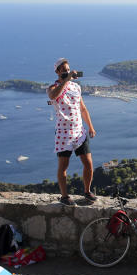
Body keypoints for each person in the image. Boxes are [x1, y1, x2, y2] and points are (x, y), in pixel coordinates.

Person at [48, 58, 96, 205]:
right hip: (63, 132)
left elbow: (82, 108)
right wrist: (66, 81)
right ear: (57, 72)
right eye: (63, 70)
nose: (67, 72)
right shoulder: (52, 87)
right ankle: (64, 196)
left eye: (68, 69)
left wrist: (91, 126)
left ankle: (87, 191)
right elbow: (53, 96)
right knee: (64, 165)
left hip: (79, 130)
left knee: (88, 163)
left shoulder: (76, 87)